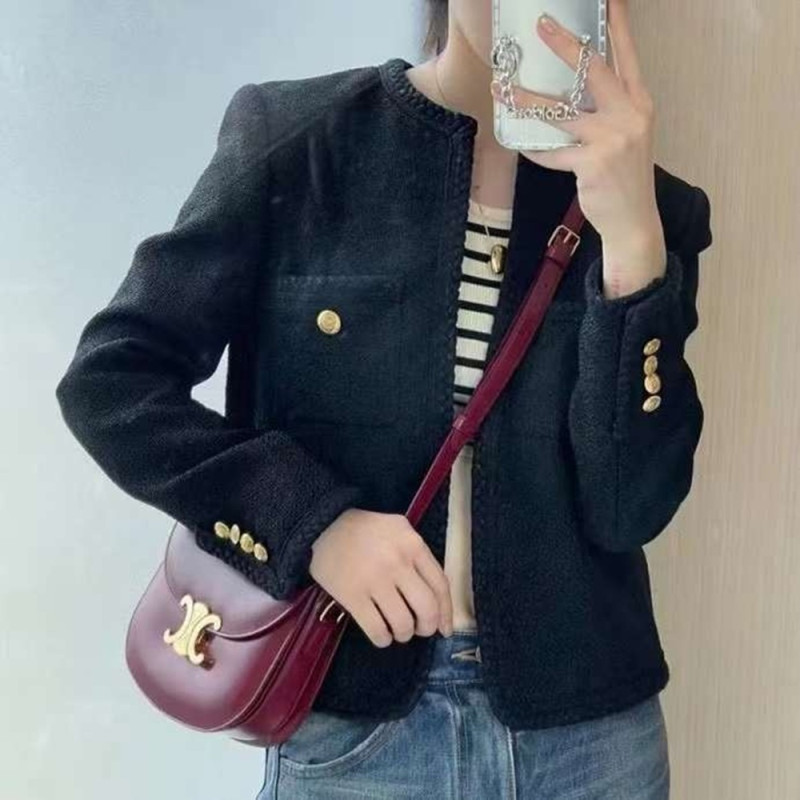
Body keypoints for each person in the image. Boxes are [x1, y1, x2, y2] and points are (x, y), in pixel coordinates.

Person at [55, 0, 713, 797]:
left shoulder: (653, 212)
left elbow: (631, 508)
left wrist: (634, 243)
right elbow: (113, 382)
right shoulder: (300, 140)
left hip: (591, 741)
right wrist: (313, 523)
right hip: (359, 734)